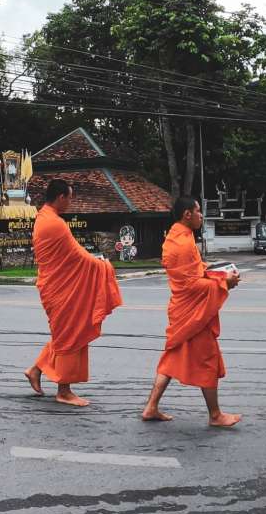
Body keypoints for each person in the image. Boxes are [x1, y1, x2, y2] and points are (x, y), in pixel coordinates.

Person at [141, 196, 242, 427]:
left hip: (182, 309)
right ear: (187, 214)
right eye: (198, 211)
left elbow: (193, 273)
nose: (201, 215)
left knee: (171, 359)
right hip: (192, 312)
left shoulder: (176, 236)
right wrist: (224, 282)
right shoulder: (183, 243)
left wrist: (216, 273)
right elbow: (191, 285)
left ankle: (151, 407)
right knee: (208, 360)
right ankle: (215, 415)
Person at [22, 180, 122, 407]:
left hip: (54, 284)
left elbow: (70, 255)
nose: (71, 202)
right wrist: (104, 266)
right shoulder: (55, 223)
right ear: (60, 198)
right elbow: (78, 256)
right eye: (70, 198)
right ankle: (64, 390)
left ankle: (35, 370)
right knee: (69, 335)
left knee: (63, 334)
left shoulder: (43, 217)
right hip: (60, 288)